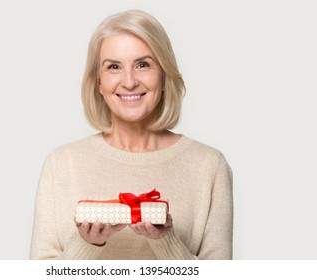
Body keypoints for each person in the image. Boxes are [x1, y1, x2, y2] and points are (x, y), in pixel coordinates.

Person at [30, 9, 233, 260]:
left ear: (164, 74)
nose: (129, 81)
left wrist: (165, 241)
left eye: (143, 65)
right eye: (113, 67)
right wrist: (86, 245)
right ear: (98, 82)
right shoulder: (61, 164)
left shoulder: (209, 166)